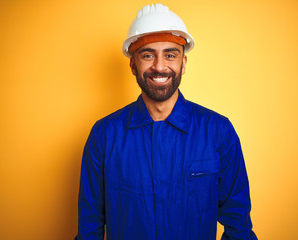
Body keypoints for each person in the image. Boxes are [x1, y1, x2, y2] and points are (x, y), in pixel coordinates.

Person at [76, 3, 257, 240]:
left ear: (183, 63)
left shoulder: (218, 132)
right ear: (133, 65)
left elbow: (239, 228)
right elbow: (90, 228)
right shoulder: (104, 135)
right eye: (148, 55)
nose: (160, 66)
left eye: (170, 55)